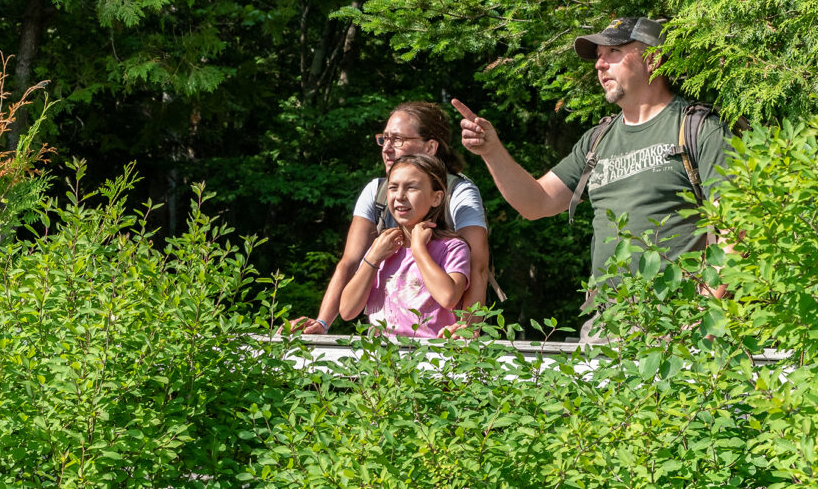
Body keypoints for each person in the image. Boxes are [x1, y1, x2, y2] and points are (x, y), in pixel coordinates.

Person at [452, 17, 730, 314]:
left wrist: (707, 315)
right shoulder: (598, 140)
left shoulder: (699, 129)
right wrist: (492, 151)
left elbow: (735, 229)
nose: (600, 65)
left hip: (679, 318)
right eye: (599, 57)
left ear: (653, 59)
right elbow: (536, 203)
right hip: (606, 322)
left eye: (613, 53)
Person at [290, 101, 489, 334]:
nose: (386, 148)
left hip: (440, 340)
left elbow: (478, 267)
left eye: (398, 139)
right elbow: (350, 263)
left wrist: (467, 329)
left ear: (430, 147)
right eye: (384, 139)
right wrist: (323, 323)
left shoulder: (460, 193)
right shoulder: (377, 191)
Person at [339, 155, 471, 337]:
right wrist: (372, 258)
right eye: (393, 187)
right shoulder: (381, 248)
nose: (400, 196)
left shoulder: (453, 248)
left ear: (437, 198)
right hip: (380, 358)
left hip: (431, 358)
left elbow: (448, 297)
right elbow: (347, 311)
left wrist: (419, 250)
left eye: (411, 188)